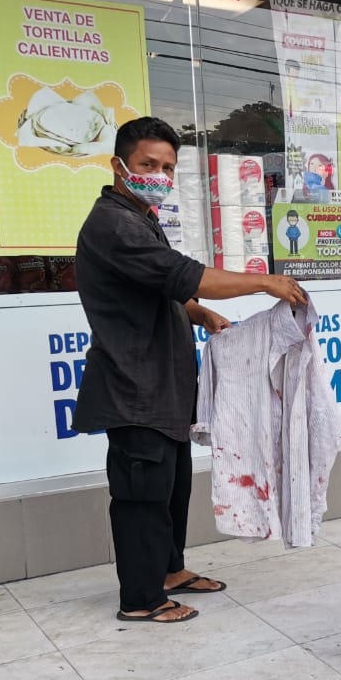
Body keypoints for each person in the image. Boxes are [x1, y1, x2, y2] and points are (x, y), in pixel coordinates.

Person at [73, 116, 308, 624]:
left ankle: (169, 569)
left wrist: (196, 311)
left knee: (172, 486)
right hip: (135, 389)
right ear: (119, 166)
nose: (158, 174)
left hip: (165, 388)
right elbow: (182, 274)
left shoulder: (139, 216)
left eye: (167, 167)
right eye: (147, 165)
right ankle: (140, 598)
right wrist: (264, 282)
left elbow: (160, 288)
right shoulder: (114, 224)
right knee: (141, 495)